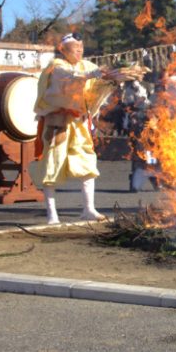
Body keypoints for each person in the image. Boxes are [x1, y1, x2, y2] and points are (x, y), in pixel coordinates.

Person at [33, 33, 129, 224]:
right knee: (52, 164)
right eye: (75, 46)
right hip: (56, 122)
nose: (79, 50)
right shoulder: (56, 66)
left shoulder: (87, 66)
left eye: (81, 47)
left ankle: (88, 209)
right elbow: (69, 79)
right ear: (63, 49)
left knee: (87, 163)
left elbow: (99, 83)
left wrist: (115, 77)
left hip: (78, 123)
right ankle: (52, 213)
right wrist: (92, 75)